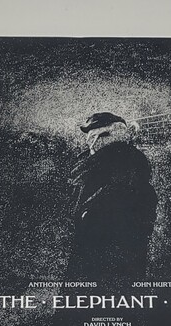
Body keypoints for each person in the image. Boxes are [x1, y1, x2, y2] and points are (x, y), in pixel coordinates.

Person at [64, 111, 158, 285]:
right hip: (93, 246)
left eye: (97, 135)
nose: (90, 140)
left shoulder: (126, 161)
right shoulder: (90, 162)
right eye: (90, 135)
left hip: (114, 246)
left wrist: (88, 214)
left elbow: (130, 198)